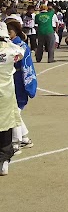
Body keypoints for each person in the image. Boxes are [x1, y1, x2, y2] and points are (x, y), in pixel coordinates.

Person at [4, 18, 36, 154]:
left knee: (14, 111)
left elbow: (25, 66)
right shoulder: (9, 45)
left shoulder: (20, 46)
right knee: (13, 110)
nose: (7, 34)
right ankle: (24, 138)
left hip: (18, 80)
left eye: (9, 31)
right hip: (10, 79)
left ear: (15, 31)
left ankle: (15, 142)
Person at [0, 22, 25, 176]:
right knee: (5, 126)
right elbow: (21, 52)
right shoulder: (12, 50)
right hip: (6, 94)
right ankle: (3, 161)